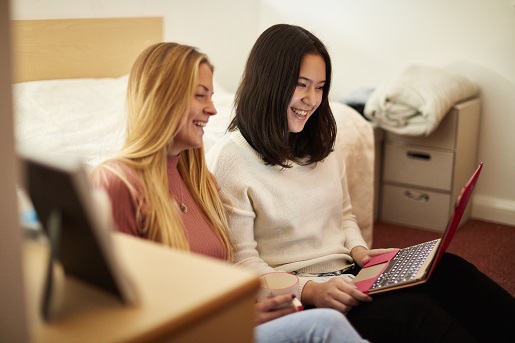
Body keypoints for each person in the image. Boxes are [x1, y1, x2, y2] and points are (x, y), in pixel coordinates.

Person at [206, 24, 515, 343]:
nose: (311, 100)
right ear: (269, 82)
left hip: (351, 276)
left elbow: (345, 215)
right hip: (304, 297)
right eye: (301, 85)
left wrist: (360, 252)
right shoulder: (230, 158)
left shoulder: (321, 142)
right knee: (413, 312)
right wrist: (310, 290)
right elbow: (242, 261)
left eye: (320, 87)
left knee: (451, 270)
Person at [91, 42, 368, 343]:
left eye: (211, 95)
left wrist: (248, 305)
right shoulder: (116, 183)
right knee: (324, 326)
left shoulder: (200, 180)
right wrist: (228, 318)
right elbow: (117, 316)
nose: (212, 109)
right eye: (200, 96)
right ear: (161, 97)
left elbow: (224, 271)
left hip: (229, 322)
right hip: (196, 333)